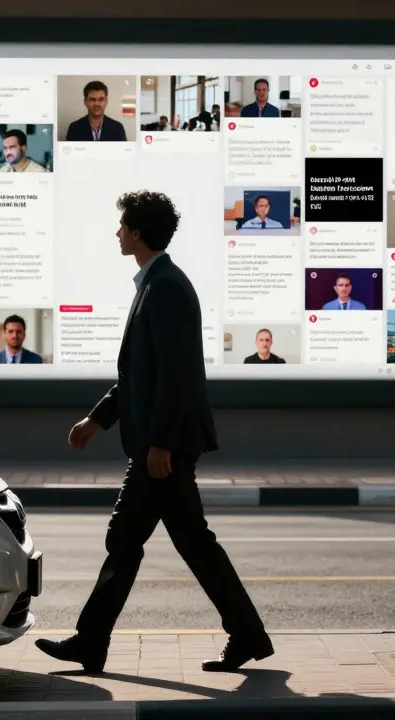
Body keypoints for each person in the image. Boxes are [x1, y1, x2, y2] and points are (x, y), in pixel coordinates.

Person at [35, 190, 273, 674]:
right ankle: (246, 634)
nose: (117, 232)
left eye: (122, 225)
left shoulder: (165, 287)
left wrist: (161, 442)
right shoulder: (155, 283)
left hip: (164, 446)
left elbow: (177, 374)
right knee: (188, 543)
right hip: (158, 442)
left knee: (127, 540)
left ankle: (90, 640)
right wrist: (98, 419)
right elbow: (140, 376)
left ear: (139, 232)